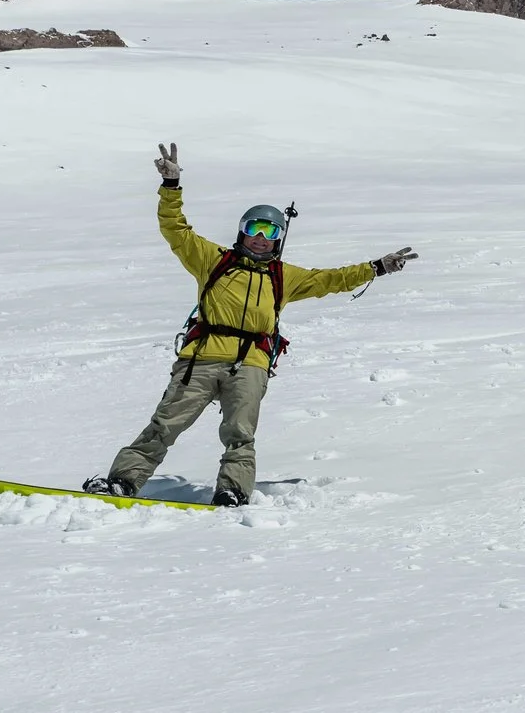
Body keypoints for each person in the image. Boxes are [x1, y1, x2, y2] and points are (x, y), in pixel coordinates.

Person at [87, 144, 415, 506]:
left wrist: (376, 267)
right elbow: (176, 230)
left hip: (252, 364)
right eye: (253, 227)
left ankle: (233, 490)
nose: (260, 236)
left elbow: (331, 279)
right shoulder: (213, 261)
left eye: (269, 230)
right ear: (242, 231)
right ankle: (122, 481)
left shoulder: (283, 276)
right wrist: (172, 185)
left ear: (277, 238)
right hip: (202, 358)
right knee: (165, 425)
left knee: (240, 434)